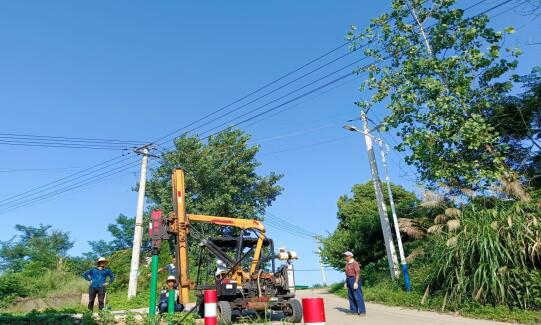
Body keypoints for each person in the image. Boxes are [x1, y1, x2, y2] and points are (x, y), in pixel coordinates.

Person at [343, 251, 366, 316]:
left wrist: (356, 282)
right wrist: (346, 282)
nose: (345, 257)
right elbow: (347, 274)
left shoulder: (354, 263)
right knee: (351, 296)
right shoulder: (347, 264)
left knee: (358, 296)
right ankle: (354, 311)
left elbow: (358, 273)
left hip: (355, 279)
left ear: (350, 256)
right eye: (345, 256)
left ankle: (362, 311)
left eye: (346, 256)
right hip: (349, 279)